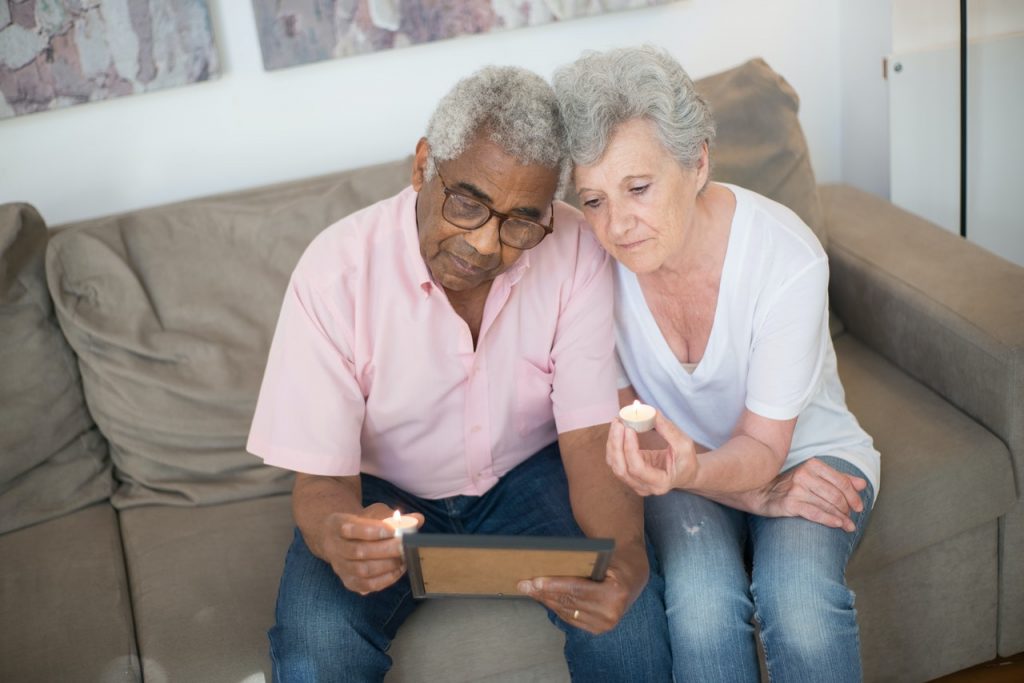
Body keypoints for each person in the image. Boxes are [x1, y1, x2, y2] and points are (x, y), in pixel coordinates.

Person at [247, 65, 671, 682]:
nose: (487, 246)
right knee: (317, 645)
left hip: (531, 473)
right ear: (423, 165)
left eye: (521, 221)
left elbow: (587, 436)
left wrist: (626, 556)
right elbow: (322, 481)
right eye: (468, 204)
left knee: (628, 620)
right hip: (383, 489)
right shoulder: (334, 272)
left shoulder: (576, 248)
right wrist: (339, 532)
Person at [553, 46, 881, 682]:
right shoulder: (588, 268)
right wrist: (733, 488)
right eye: (593, 201)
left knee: (801, 606)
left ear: (697, 161)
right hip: (675, 466)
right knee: (702, 608)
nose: (617, 226)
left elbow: (763, 447)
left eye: (638, 188)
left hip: (802, 454)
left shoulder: (786, 259)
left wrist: (712, 475)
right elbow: (629, 419)